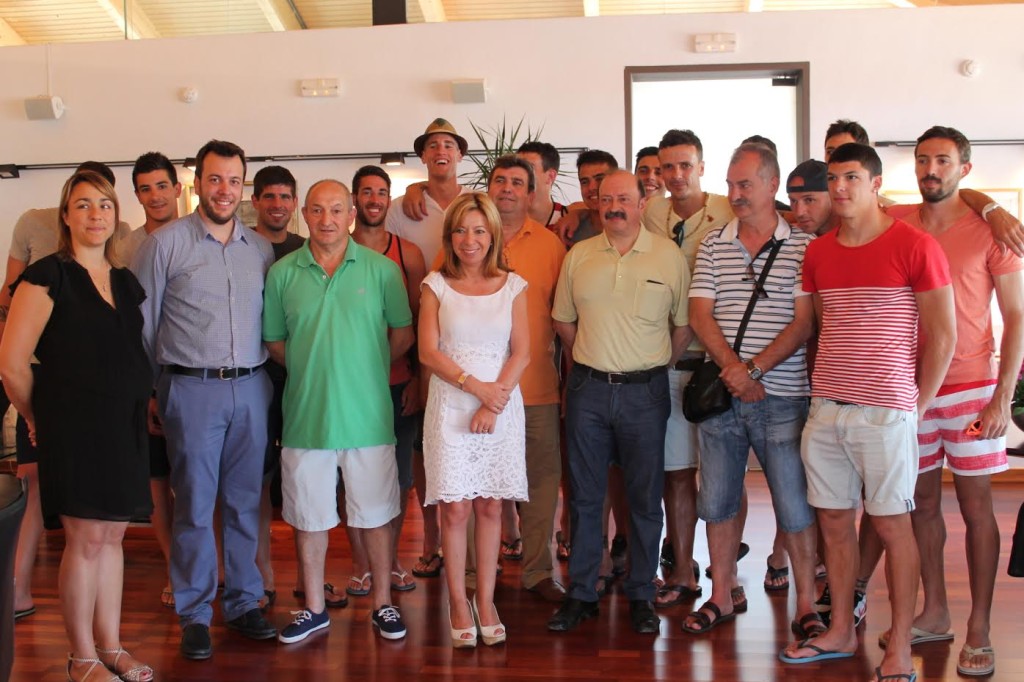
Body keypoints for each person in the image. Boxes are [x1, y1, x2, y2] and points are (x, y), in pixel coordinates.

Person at [781, 143, 956, 682]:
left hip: (887, 414)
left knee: (892, 524)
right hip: (827, 409)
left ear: (876, 183)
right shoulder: (818, 251)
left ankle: (900, 645)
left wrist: (912, 407)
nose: (840, 188)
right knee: (833, 522)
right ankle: (839, 631)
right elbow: (810, 328)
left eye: (852, 177)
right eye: (833, 178)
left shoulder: (915, 245)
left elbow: (944, 336)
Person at [0, 170, 154, 682]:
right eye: (83, 205)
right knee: (84, 540)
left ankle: (110, 646)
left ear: (116, 215)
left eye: (104, 205)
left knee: (111, 539)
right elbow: (12, 363)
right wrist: (32, 415)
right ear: (66, 215)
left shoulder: (124, 279)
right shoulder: (47, 275)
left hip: (123, 425)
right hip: (74, 426)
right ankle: (81, 655)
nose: (95, 215)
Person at [884, 126, 1023, 677]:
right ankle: (935, 610)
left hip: (971, 389)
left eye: (942, 161)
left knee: (976, 508)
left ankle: (980, 627)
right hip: (909, 389)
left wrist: (1002, 399)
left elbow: (1016, 318)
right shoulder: (895, 223)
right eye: (922, 160)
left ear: (964, 168)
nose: (930, 170)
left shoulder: (992, 233)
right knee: (918, 505)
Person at [132, 139, 277, 660]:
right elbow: (142, 327)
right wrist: (153, 387)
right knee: (193, 504)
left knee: (244, 502)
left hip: (251, 386)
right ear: (198, 184)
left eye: (234, 181)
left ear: (243, 187)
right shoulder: (165, 244)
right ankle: (194, 612)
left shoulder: (258, 249)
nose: (224, 189)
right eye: (215, 179)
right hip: (190, 388)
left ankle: (243, 602)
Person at [264, 179, 414, 643]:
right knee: (309, 518)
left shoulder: (381, 270)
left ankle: (383, 604)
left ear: (350, 214)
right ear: (302, 215)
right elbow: (274, 341)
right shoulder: (283, 273)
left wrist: (360, 368)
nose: (326, 219)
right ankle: (313, 607)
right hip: (306, 419)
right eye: (316, 210)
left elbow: (402, 334)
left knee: (374, 514)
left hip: (369, 417)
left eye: (335, 210)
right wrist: (318, 368)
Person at [684, 144, 819, 637]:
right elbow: (701, 314)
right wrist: (735, 371)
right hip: (723, 395)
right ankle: (721, 595)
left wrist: (754, 372)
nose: (735, 194)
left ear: (771, 184)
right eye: (731, 185)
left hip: (783, 398)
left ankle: (806, 603)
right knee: (716, 502)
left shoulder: (804, 245)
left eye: (745, 185)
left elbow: (804, 322)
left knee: (794, 504)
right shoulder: (714, 243)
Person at [549, 170, 691, 635]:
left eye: (623, 199)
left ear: (642, 201)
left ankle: (640, 595)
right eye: (606, 199)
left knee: (645, 500)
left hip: (645, 393)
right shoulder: (579, 256)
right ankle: (583, 593)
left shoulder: (668, 257)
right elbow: (564, 322)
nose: (614, 206)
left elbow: (683, 323)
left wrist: (653, 368)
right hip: (588, 389)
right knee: (586, 499)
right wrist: (591, 363)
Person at [419, 192, 530, 648]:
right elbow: (429, 351)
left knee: (489, 505)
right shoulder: (435, 285)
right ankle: (457, 601)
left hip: (500, 406)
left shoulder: (513, 285)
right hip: (450, 404)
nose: (470, 239)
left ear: (493, 235)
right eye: (461, 230)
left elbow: (521, 351)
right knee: (456, 507)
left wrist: (492, 399)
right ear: (450, 236)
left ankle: (485, 600)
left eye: (479, 230)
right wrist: (474, 387)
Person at [483, 156, 567, 602]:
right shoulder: (467, 237)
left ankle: (538, 572)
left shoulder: (551, 246)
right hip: (475, 393)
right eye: (501, 181)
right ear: (489, 187)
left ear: (532, 192)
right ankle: (480, 574)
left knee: (539, 486)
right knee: (481, 487)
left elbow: (567, 318)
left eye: (518, 182)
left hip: (535, 389)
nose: (509, 189)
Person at [347, 165, 426, 596]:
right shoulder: (334, 248)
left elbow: (415, 322)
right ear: (355, 199)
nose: (374, 200)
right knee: (351, 478)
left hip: (397, 382)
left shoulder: (407, 253)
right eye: (366, 192)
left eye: (381, 192)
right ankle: (361, 564)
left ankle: (391, 560)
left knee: (397, 479)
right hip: (347, 390)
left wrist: (416, 378)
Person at [122, 152, 182, 611]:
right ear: (137, 194)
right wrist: (144, 389)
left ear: (178, 187)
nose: (155, 195)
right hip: (149, 379)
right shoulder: (126, 249)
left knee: (199, 482)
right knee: (159, 480)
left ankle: (205, 564)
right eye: (146, 188)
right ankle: (173, 566)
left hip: (195, 382)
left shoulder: (199, 238)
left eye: (162, 185)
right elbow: (131, 325)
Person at [248, 165, 306, 610]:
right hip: (254, 378)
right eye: (269, 197)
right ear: (256, 202)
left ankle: (310, 577)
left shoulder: (306, 250)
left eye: (285, 197)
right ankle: (262, 572)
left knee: (306, 475)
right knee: (257, 479)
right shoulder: (242, 247)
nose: (278, 205)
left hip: (302, 377)